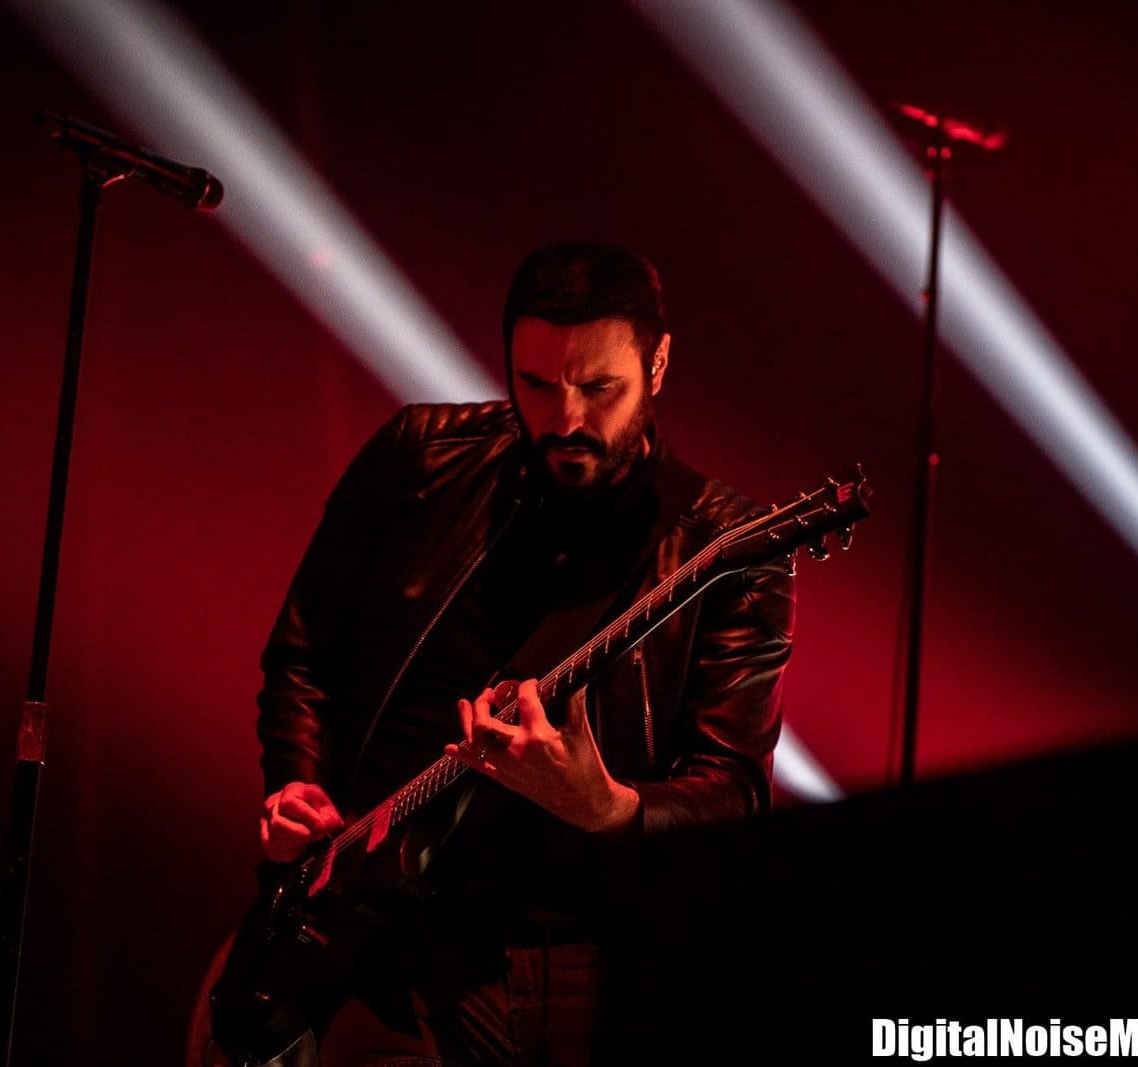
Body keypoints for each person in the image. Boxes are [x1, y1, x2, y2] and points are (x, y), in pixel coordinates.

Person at [233, 242, 794, 1065]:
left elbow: (736, 793)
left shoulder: (725, 550)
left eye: (600, 387)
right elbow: (305, 652)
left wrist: (604, 804)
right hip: (368, 933)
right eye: (536, 384)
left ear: (659, 364)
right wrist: (297, 785)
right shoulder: (419, 456)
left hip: (567, 947)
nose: (567, 419)